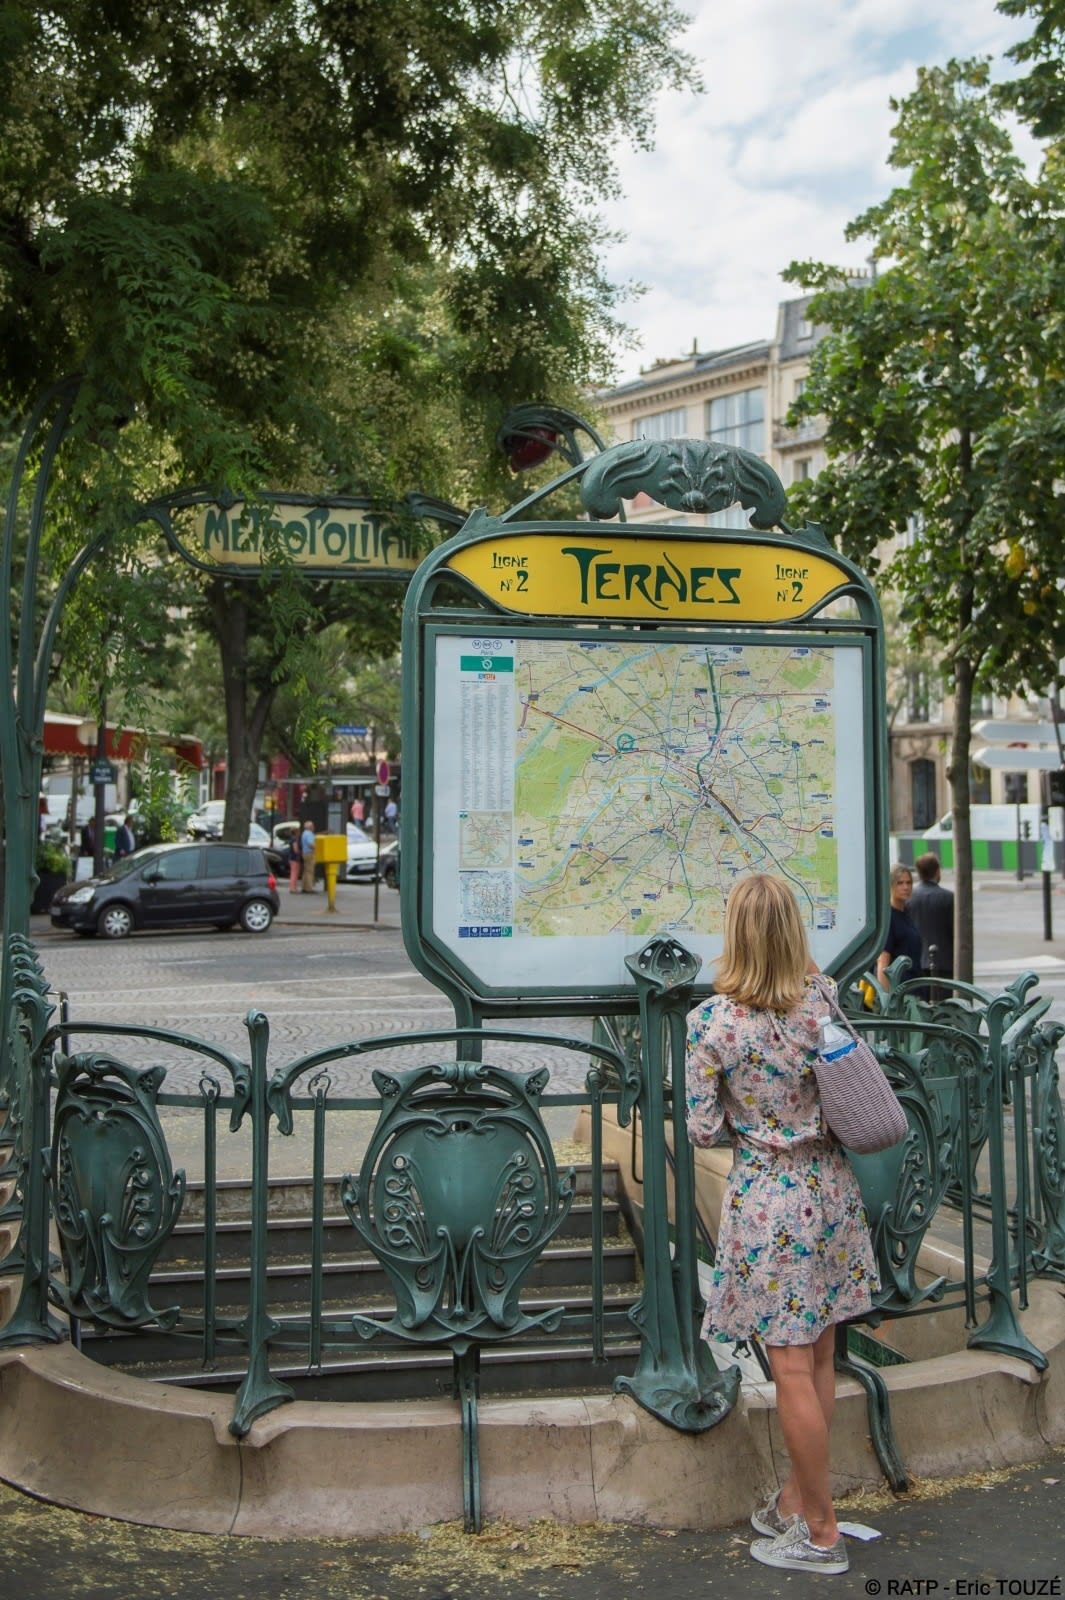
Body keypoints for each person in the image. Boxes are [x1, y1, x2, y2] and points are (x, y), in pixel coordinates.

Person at [686, 874, 878, 1576]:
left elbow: (704, 1128)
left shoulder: (711, 1024)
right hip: (830, 1191)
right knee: (820, 1355)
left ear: (733, 934)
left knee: (789, 1366)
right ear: (793, 932)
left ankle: (819, 1532)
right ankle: (798, 1500)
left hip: (769, 1202)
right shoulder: (820, 1002)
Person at [908, 852, 954, 988]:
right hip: (944, 962)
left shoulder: (909, 898)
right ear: (937, 871)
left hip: (916, 963)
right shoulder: (948, 897)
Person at [876, 862, 922, 988]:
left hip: (913, 987)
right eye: (900, 883)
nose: (906, 887)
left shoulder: (906, 912)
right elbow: (883, 960)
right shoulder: (889, 916)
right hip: (898, 992)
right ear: (890, 885)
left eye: (909, 883)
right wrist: (887, 999)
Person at [299, 819, 316, 893]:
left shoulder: (304, 833)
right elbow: (310, 844)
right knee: (310, 871)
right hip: (309, 853)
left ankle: (304, 886)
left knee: (305, 871)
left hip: (304, 853)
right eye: (312, 826)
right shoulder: (309, 834)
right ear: (310, 827)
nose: (313, 827)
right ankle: (309, 888)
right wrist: (317, 847)